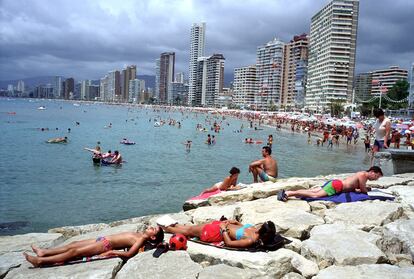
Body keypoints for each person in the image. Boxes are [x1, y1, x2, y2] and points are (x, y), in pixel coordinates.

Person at [23, 226, 164, 267]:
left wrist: (112, 252)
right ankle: (44, 252)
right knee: (73, 244)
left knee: (75, 251)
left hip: (105, 245)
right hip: (101, 239)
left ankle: (41, 261)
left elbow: (129, 254)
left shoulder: (140, 240)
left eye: (154, 230)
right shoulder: (140, 234)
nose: (151, 227)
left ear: (152, 236)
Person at [278, 166, 383, 201]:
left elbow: (354, 188)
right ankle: (288, 193)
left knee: (312, 191)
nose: (376, 179)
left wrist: (363, 189)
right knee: (315, 195)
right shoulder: (363, 175)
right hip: (337, 186)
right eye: (376, 176)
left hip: (336, 185)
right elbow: (363, 191)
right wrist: (366, 190)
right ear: (372, 172)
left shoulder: (362, 175)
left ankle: (291, 193)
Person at [162, 220, 276, 249]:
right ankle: (169, 225)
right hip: (219, 226)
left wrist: (223, 230)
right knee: (189, 228)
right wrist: (235, 222)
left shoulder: (250, 240)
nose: (260, 225)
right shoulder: (254, 229)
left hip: (216, 232)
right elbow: (241, 227)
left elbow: (229, 243)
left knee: (188, 231)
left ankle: (165, 227)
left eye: (262, 225)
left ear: (263, 231)